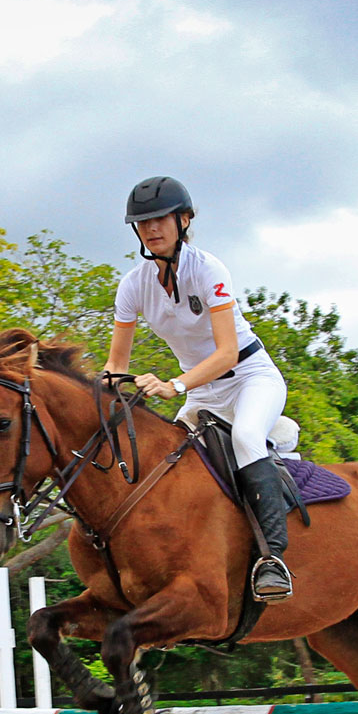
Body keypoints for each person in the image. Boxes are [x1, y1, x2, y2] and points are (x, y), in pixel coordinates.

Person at [103, 176, 296, 601]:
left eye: (160, 219)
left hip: (249, 378)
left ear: (183, 220)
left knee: (246, 437)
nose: (151, 229)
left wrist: (173, 384)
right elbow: (115, 366)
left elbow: (228, 352)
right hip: (203, 393)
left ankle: (272, 560)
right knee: (167, 468)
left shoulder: (209, 269)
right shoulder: (133, 286)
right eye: (142, 222)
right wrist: (98, 388)